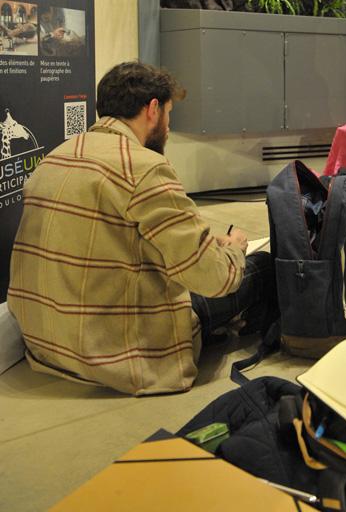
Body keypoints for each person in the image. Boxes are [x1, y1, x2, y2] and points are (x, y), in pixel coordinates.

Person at [8, 62, 274, 395]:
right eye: (169, 114)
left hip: (45, 345)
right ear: (153, 109)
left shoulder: (55, 157)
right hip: (116, 354)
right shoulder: (145, 167)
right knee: (260, 267)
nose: (168, 127)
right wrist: (234, 248)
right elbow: (215, 277)